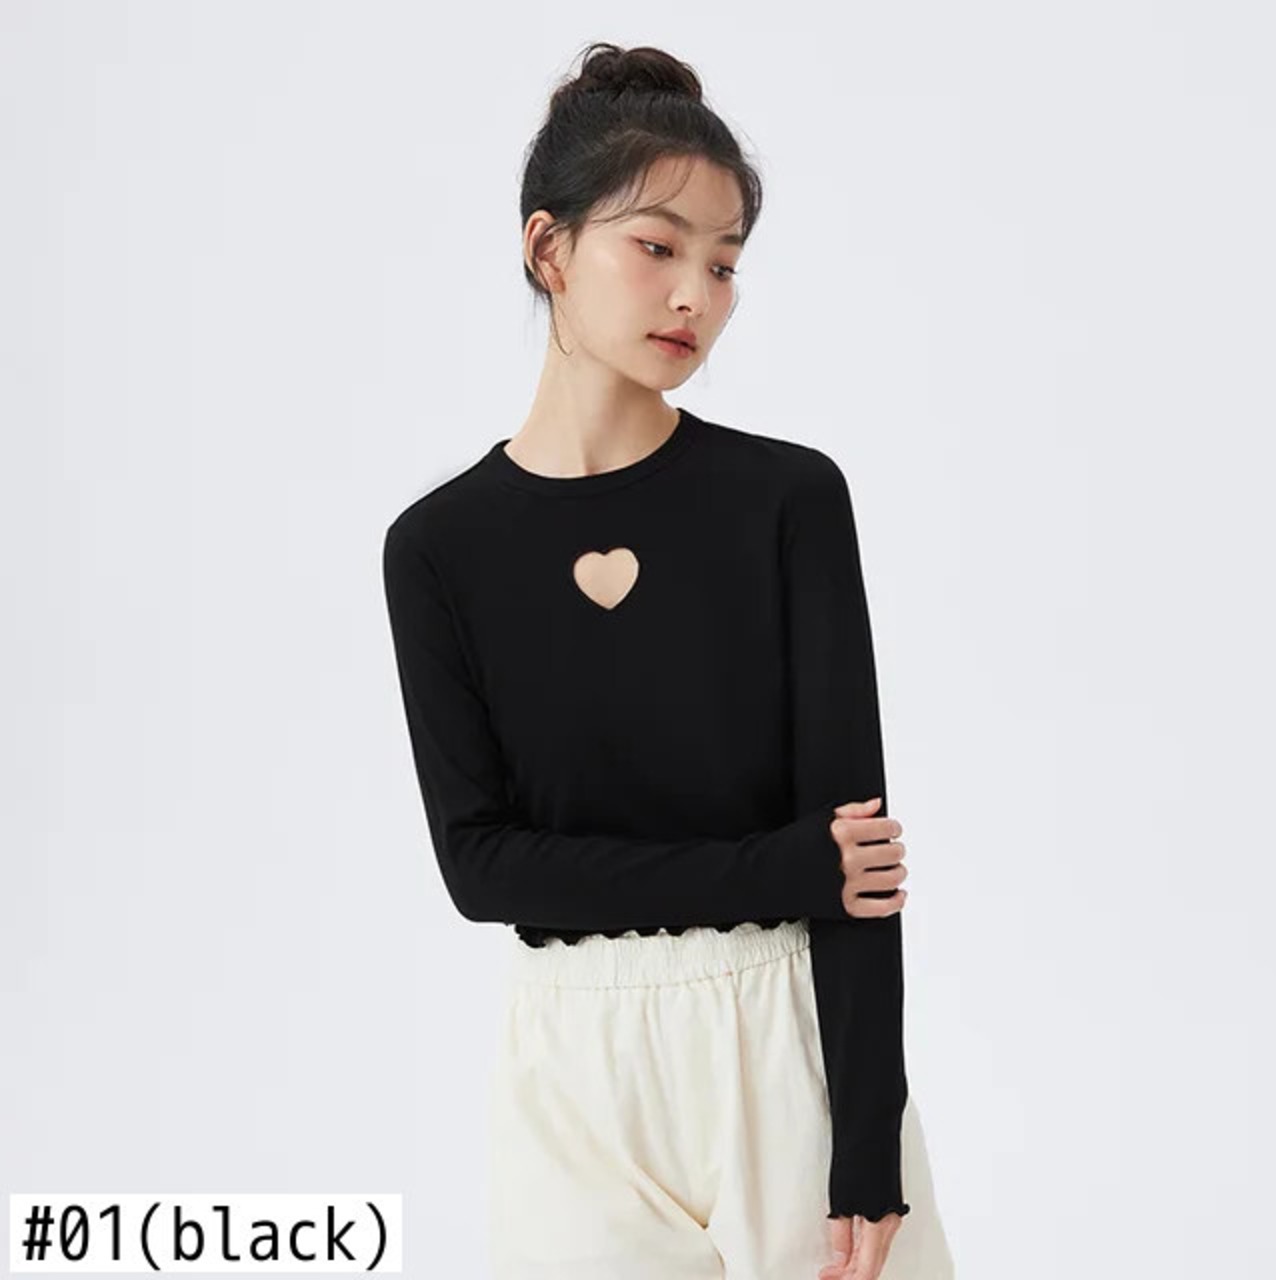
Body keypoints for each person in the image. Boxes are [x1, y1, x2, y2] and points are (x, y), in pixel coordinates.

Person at [381, 41, 954, 1280]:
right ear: (547, 248)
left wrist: (866, 1141)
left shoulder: (785, 500)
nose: (695, 293)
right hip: (570, 1070)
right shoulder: (438, 548)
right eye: (656, 246)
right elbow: (482, 868)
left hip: (785, 1035)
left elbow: (856, 861)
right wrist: (778, 864)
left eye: (725, 262)